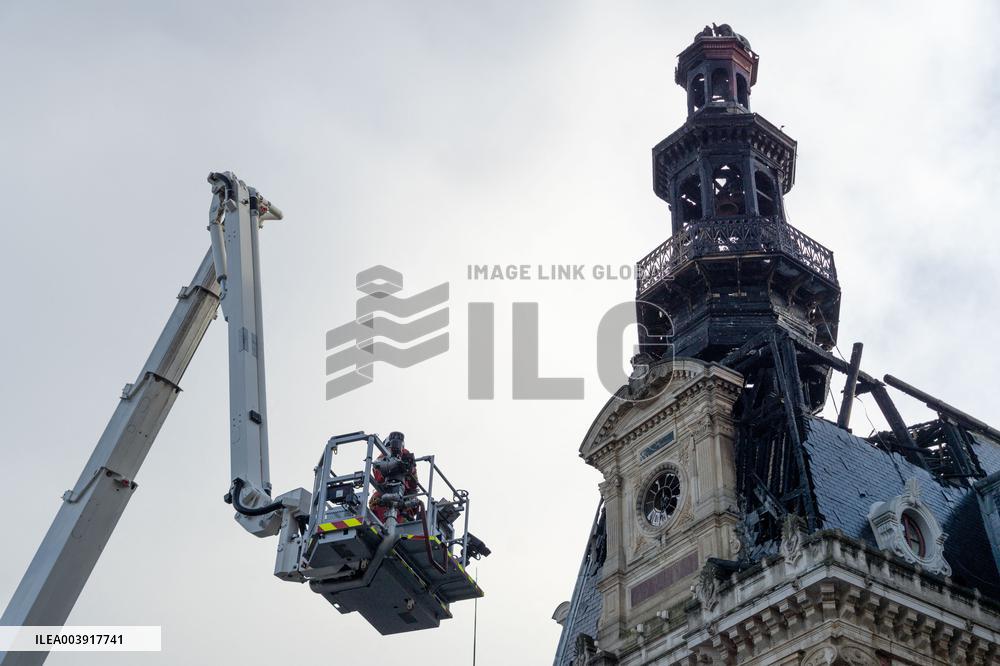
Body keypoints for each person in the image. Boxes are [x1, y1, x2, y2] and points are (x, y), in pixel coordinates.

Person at [368, 432, 420, 523]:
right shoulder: (382, 458)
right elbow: (379, 476)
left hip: (403, 503)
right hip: (386, 501)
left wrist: (407, 467)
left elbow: (414, 483)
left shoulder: (405, 455)